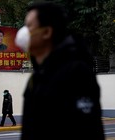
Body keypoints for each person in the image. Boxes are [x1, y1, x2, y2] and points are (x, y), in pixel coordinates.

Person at [15, 1, 105, 140]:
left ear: (47, 32)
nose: (23, 32)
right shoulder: (37, 76)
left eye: (29, 26)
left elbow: (87, 130)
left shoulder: (77, 72)